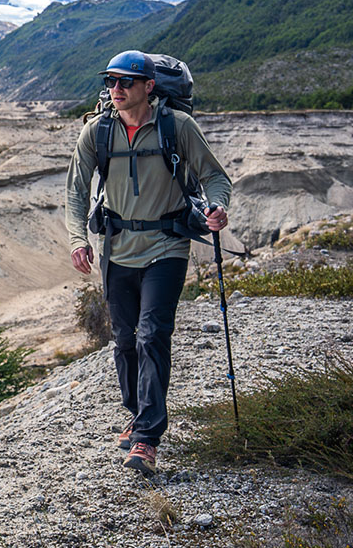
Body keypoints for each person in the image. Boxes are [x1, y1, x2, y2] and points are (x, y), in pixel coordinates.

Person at [65, 52, 231, 476]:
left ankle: (147, 439)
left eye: (125, 82)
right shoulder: (96, 132)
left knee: (152, 333)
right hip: (116, 249)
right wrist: (77, 239)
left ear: (148, 87)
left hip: (166, 245)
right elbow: (76, 192)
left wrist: (217, 206)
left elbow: (215, 177)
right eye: (110, 82)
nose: (115, 90)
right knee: (123, 340)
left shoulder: (178, 127)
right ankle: (138, 413)